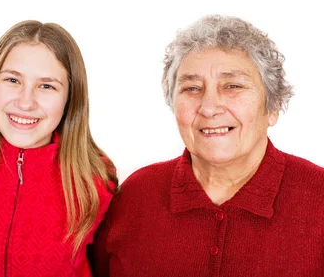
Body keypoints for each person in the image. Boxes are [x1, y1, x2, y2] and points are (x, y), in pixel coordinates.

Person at [92, 15, 324, 276]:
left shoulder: (318, 198)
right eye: (191, 88)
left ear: (272, 107)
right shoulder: (134, 197)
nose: (209, 107)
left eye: (233, 86)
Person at [0, 20, 117, 276]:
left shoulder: (95, 178)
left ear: (70, 98)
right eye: (12, 80)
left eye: (46, 86)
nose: (25, 102)